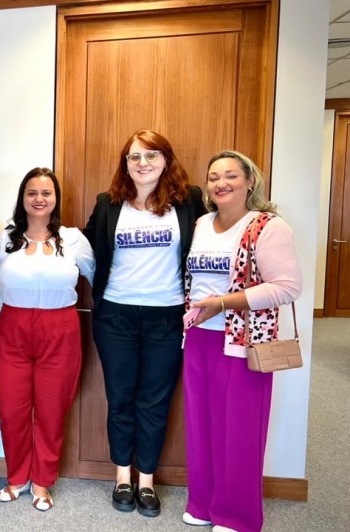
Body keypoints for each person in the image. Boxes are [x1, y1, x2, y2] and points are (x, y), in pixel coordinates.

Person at [84, 129, 206, 517]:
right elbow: (86, 249)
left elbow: (214, 241)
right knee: (120, 399)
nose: (143, 163)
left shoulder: (189, 202)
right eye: (134, 157)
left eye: (151, 155)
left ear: (166, 160)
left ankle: (147, 482)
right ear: (126, 164)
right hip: (115, 315)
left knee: (155, 401)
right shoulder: (108, 204)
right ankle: (122, 477)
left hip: (167, 317)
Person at [183, 151, 301, 532]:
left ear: (251, 181)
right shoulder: (202, 224)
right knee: (201, 425)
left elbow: (286, 287)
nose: (221, 183)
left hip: (243, 342)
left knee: (240, 430)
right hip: (199, 339)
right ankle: (203, 504)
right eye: (214, 176)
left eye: (231, 175)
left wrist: (221, 303)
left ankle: (236, 516)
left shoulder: (268, 226)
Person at [0, 168, 95, 511]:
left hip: (60, 330)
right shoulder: (4, 238)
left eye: (46, 193)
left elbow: (99, 280)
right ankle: (17, 476)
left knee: (52, 411)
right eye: (32, 192)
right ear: (23, 198)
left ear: (56, 199)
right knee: (11, 410)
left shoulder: (74, 240)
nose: (39, 199)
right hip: (14, 329)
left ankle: (41, 481)